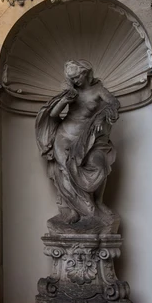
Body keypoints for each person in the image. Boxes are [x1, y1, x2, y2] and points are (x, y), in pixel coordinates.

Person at [35, 60, 120, 234]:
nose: (75, 81)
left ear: (85, 73)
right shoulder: (71, 92)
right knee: (66, 171)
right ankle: (74, 210)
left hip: (87, 139)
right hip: (64, 137)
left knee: (100, 166)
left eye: (77, 77)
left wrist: (102, 115)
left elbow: (114, 104)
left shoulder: (98, 90)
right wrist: (65, 100)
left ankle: (98, 203)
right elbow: (53, 114)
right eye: (71, 78)